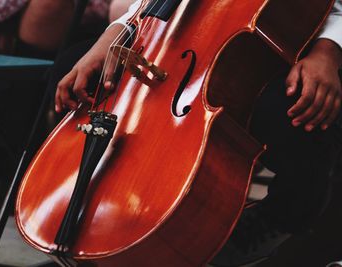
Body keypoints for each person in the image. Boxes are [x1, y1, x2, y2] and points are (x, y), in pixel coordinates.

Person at [53, 0, 342, 266]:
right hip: (190, 42)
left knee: (298, 106)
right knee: (73, 67)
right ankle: (95, 202)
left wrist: (328, 51)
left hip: (290, 43)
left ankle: (284, 219)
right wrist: (111, 38)